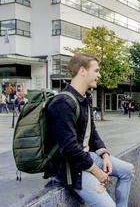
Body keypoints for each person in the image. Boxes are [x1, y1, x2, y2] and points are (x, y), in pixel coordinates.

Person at [47, 53, 134, 207]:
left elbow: (92, 132)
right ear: (82, 71)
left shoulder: (85, 98)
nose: (99, 75)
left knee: (128, 171)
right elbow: (69, 148)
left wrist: (105, 154)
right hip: (69, 167)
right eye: (96, 71)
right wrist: (95, 170)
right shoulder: (63, 103)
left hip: (86, 157)